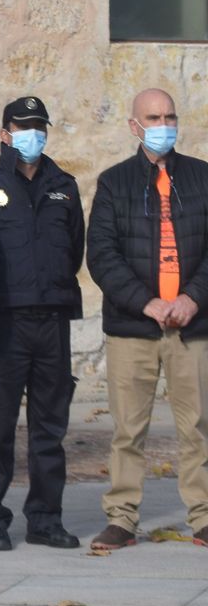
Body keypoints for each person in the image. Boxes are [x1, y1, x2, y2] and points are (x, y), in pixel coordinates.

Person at [86, 88, 208, 551]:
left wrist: (193, 299)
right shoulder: (114, 182)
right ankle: (121, 518)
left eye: (170, 116)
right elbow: (101, 254)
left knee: (198, 426)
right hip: (133, 327)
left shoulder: (201, 177)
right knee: (127, 429)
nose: (164, 125)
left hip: (193, 326)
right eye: (153, 117)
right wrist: (147, 302)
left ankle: (203, 516)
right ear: (133, 126)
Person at [0, 96, 85, 551]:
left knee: (49, 429)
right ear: (4, 134)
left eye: (39, 126)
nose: (32, 134)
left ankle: (45, 519)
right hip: (4, 322)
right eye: (22, 127)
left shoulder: (65, 185)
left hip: (52, 319)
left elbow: (73, 249)